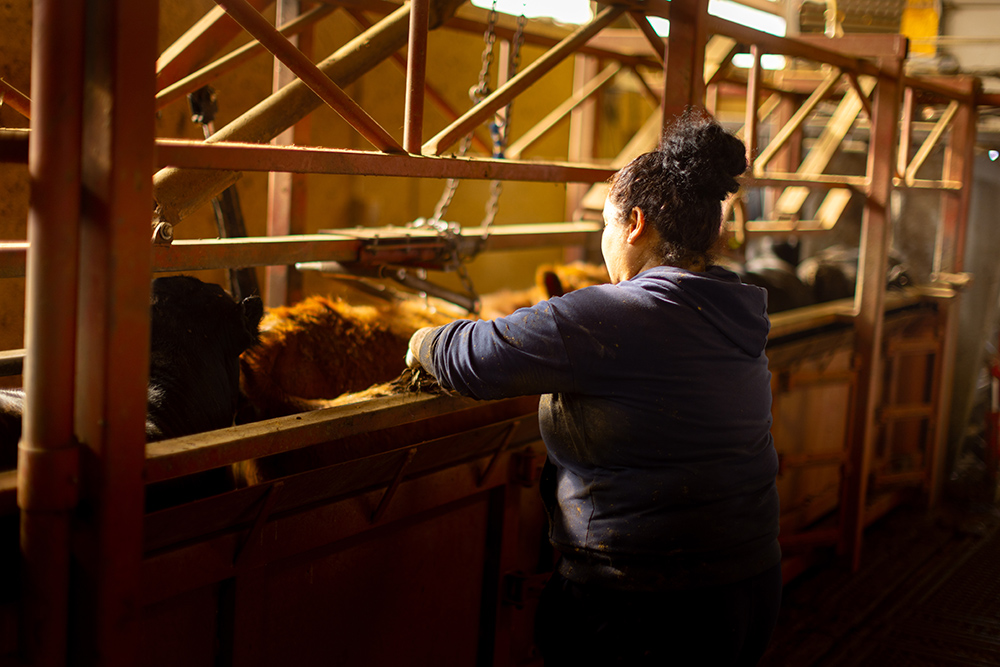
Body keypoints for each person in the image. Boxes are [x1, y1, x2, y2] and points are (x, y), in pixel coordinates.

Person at [406, 110, 781, 666]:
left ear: (633, 224)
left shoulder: (612, 315)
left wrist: (421, 341)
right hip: (747, 584)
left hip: (643, 604)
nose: (603, 241)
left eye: (603, 225)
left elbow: (477, 359)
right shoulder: (732, 309)